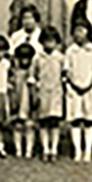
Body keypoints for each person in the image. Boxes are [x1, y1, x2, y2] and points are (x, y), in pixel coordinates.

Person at [64, 19, 92, 163]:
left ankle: (88, 151)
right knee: (75, 120)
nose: (79, 34)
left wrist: (88, 86)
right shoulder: (70, 51)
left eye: (82, 30)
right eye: (76, 30)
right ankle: (77, 151)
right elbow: (67, 71)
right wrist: (75, 85)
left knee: (89, 120)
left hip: (90, 89)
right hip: (74, 89)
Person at [33, 26, 65, 162]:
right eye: (46, 41)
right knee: (43, 122)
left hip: (56, 93)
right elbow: (33, 75)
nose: (49, 44)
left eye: (52, 41)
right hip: (43, 93)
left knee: (55, 122)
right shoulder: (38, 58)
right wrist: (36, 88)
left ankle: (54, 149)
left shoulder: (60, 57)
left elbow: (64, 74)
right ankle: (45, 149)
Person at [9, 43, 36, 159]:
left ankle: (29, 149)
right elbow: (10, 87)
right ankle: (18, 149)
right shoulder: (13, 72)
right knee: (17, 126)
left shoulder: (33, 72)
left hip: (29, 102)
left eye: (27, 58)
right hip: (17, 101)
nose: (24, 61)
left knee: (29, 126)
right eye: (22, 58)